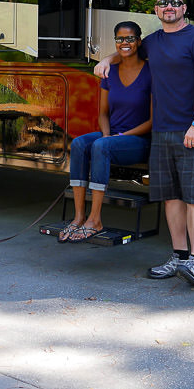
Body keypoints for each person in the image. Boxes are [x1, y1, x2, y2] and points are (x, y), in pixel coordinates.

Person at [94, 0, 194, 286]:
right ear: (156, 10)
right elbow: (129, 50)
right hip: (162, 130)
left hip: (192, 130)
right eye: (163, 3)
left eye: (175, 3)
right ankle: (178, 257)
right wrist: (106, 60)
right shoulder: (153, 41)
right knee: (170, 197)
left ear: (184, 8)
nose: (169, 7)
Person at [60, 21, 152, 243]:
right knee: (80, 144)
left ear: (138, 41)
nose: (124, 43)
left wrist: (118, 138)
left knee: (102, 146)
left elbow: (153, 120)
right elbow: (103, 113)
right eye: (119, 39)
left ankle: (95, 220)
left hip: (138, 139)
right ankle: (79, 217)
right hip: (112, 136)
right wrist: (107, 134)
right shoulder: (110, 74)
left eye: (130, 38)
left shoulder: (151, 73)